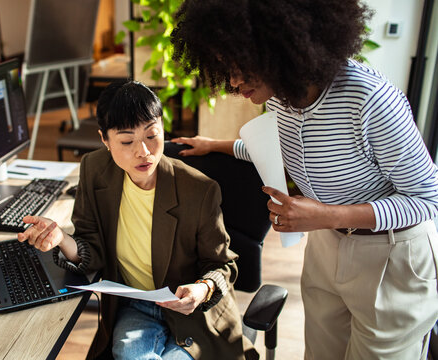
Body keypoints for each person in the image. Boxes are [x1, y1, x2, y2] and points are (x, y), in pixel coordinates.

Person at [169, 0, 438, 359]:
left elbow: (427, 198)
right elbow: (281, 149)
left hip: (392, 257)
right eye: (225, 68)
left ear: (281, 45)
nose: (234, 82)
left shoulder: (369, 100)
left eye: (242, 66)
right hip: (326, 246)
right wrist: (214, 145)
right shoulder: (282, 96)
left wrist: (326, 216)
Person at [17, 80, 258, 360]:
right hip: (135, 305)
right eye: (127, 141)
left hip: (194, 313)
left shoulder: (199, 189)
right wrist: (62, 240)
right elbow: (91, 248)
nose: (143, 151)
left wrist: (202, 289)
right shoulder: (94, 170)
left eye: (152, 136)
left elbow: (223, 265)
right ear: (105, 140)